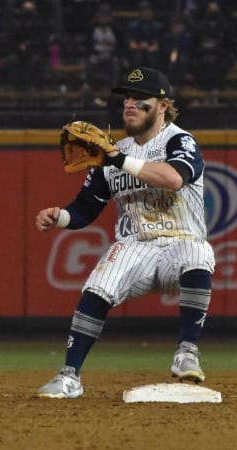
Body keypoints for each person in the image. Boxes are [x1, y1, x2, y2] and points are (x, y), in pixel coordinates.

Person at [35, 66, 215, 399]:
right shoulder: (111, 152)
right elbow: (86, 209)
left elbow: (174, 178)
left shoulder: (179, 140)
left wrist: (118, 158)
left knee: (199, 253)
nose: (129, 104)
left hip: (181, 242)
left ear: (162, 106)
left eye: (139, 98)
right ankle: (70, 376)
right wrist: (60, 217)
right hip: (137, 244)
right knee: (98, 283)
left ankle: (186, 351)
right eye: (126, 98)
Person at [125, 1, 164, 68]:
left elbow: (157, 45)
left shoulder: (158, 26)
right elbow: (131, 44)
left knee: (152, 56)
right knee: (138, 55)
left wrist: (149, 48)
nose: (146, 14)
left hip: (151, 52)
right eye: (143, 11)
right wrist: (140, 46)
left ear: (152, 13)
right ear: (139, 13)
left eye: (148, 11)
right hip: (137, 51)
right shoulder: (132, 26)